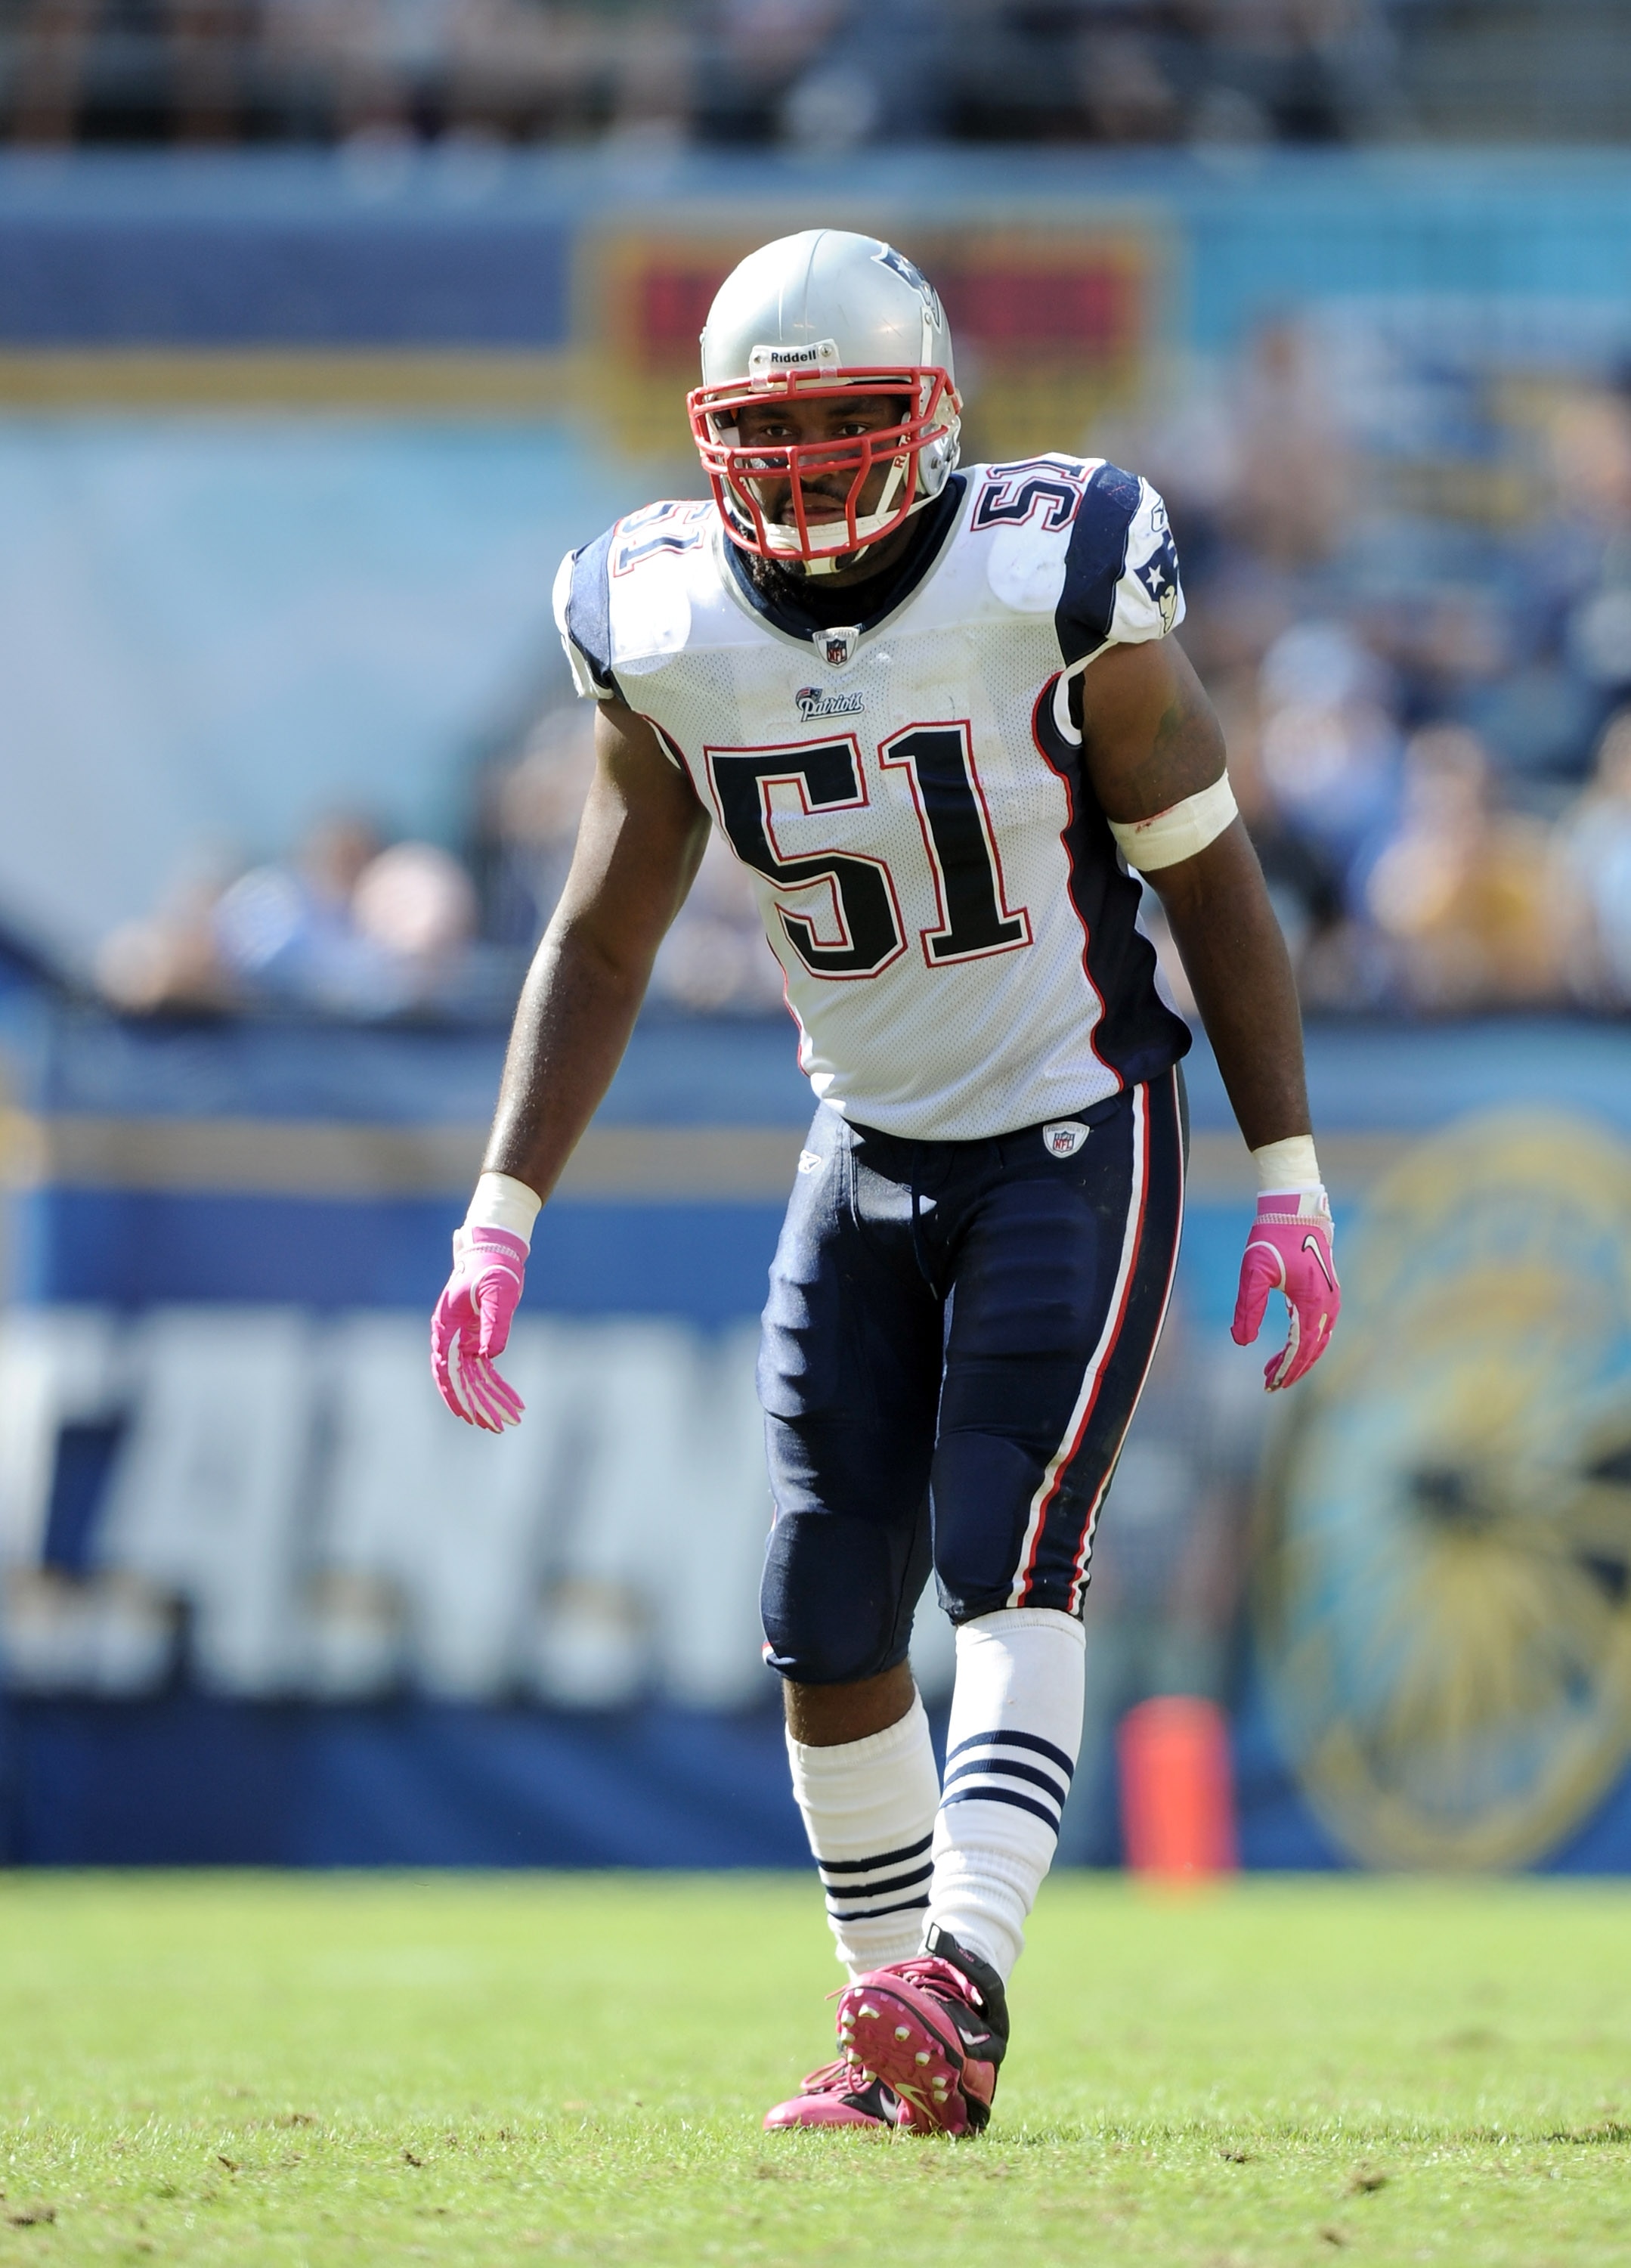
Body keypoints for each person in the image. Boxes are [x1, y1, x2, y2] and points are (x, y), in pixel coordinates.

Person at [429, 231, 1340, 2136]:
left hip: (1075, 1113)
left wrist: (1289, 1173)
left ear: (933, 422)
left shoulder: (1053, 573)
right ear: (707, 439)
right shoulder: (657, 614)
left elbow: (1204, 868)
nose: (814, 469)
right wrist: (497, 1212)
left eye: (852, 425)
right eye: (775, 433)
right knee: (820, 1603)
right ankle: (886, 2034)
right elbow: (599, 938)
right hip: (860, 1138)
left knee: (1006, 1536)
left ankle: (966, 1977)